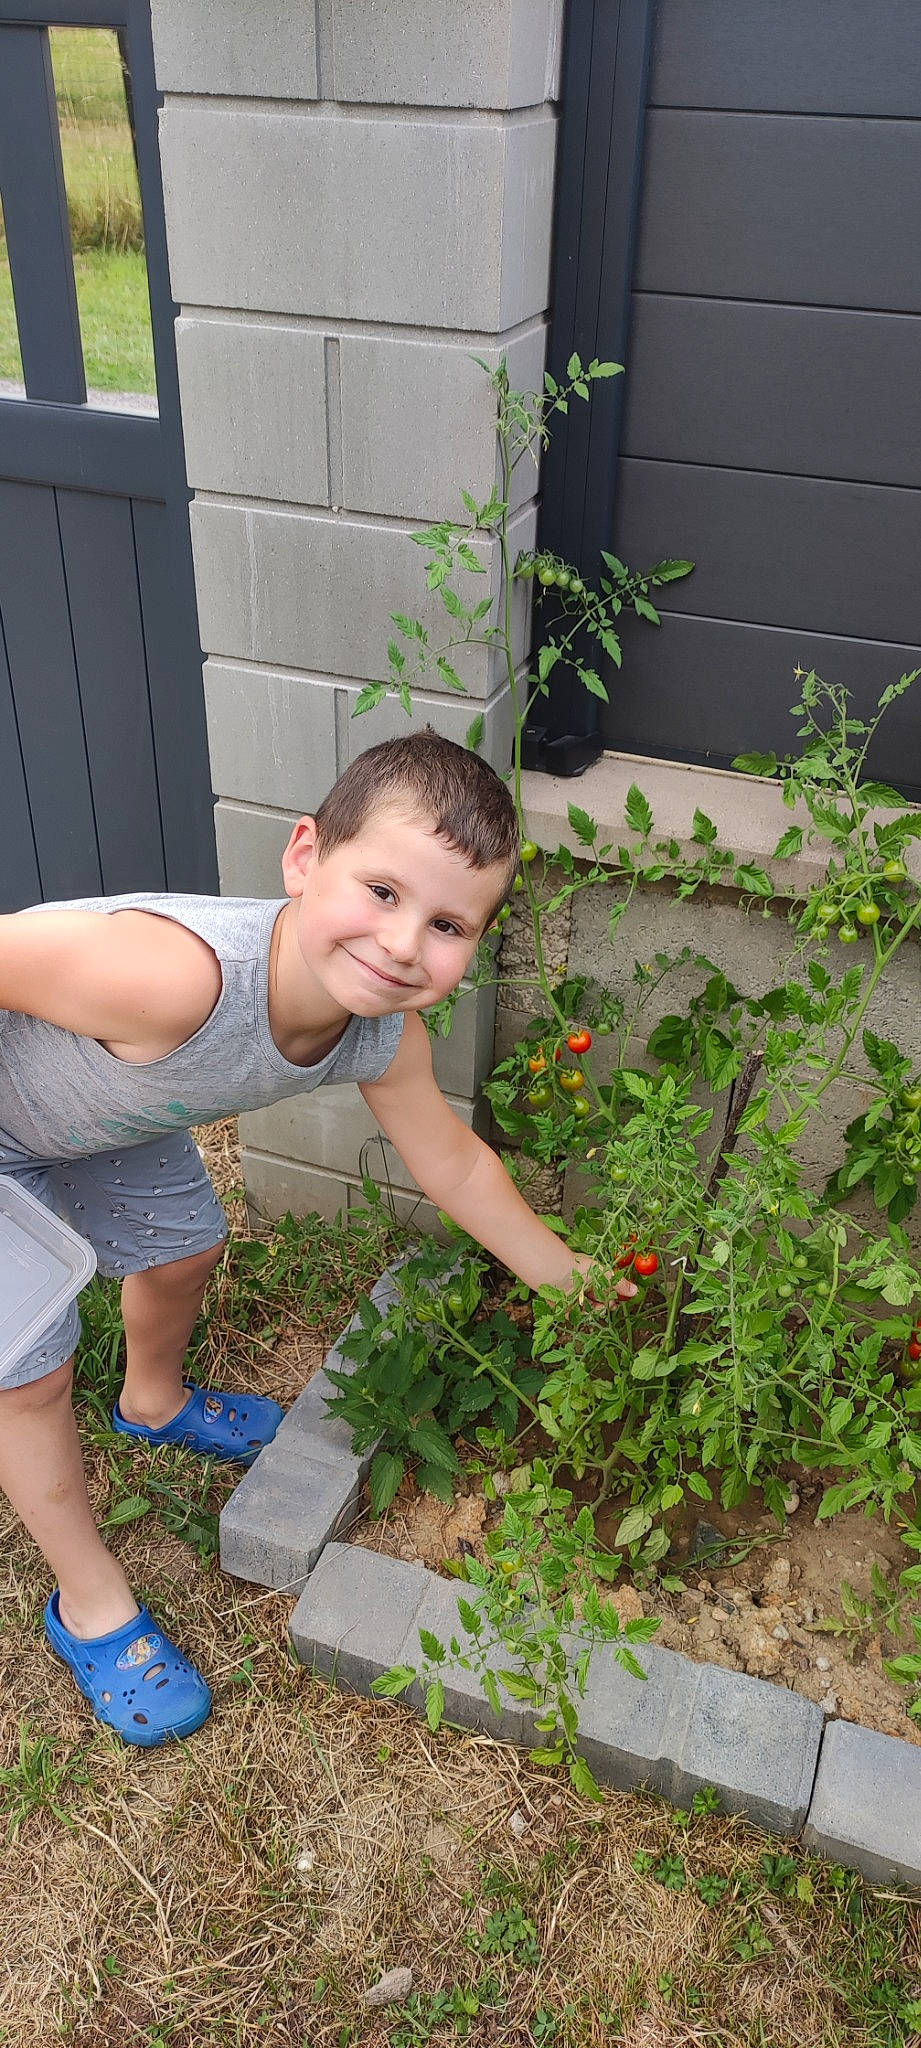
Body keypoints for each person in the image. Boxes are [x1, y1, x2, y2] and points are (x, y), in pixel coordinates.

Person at [0, 730, 631, 1746]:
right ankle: (91, 1603)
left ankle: (152, 1402)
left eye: (448, 922)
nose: (402, 942)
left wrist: (570, 1277)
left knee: (184, 1250)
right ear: (304, 857)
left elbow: (457, 1162)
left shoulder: (385, 1032)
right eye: (380, 890)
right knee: (25, 1370)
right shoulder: (169, 976)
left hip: (95, 1116)